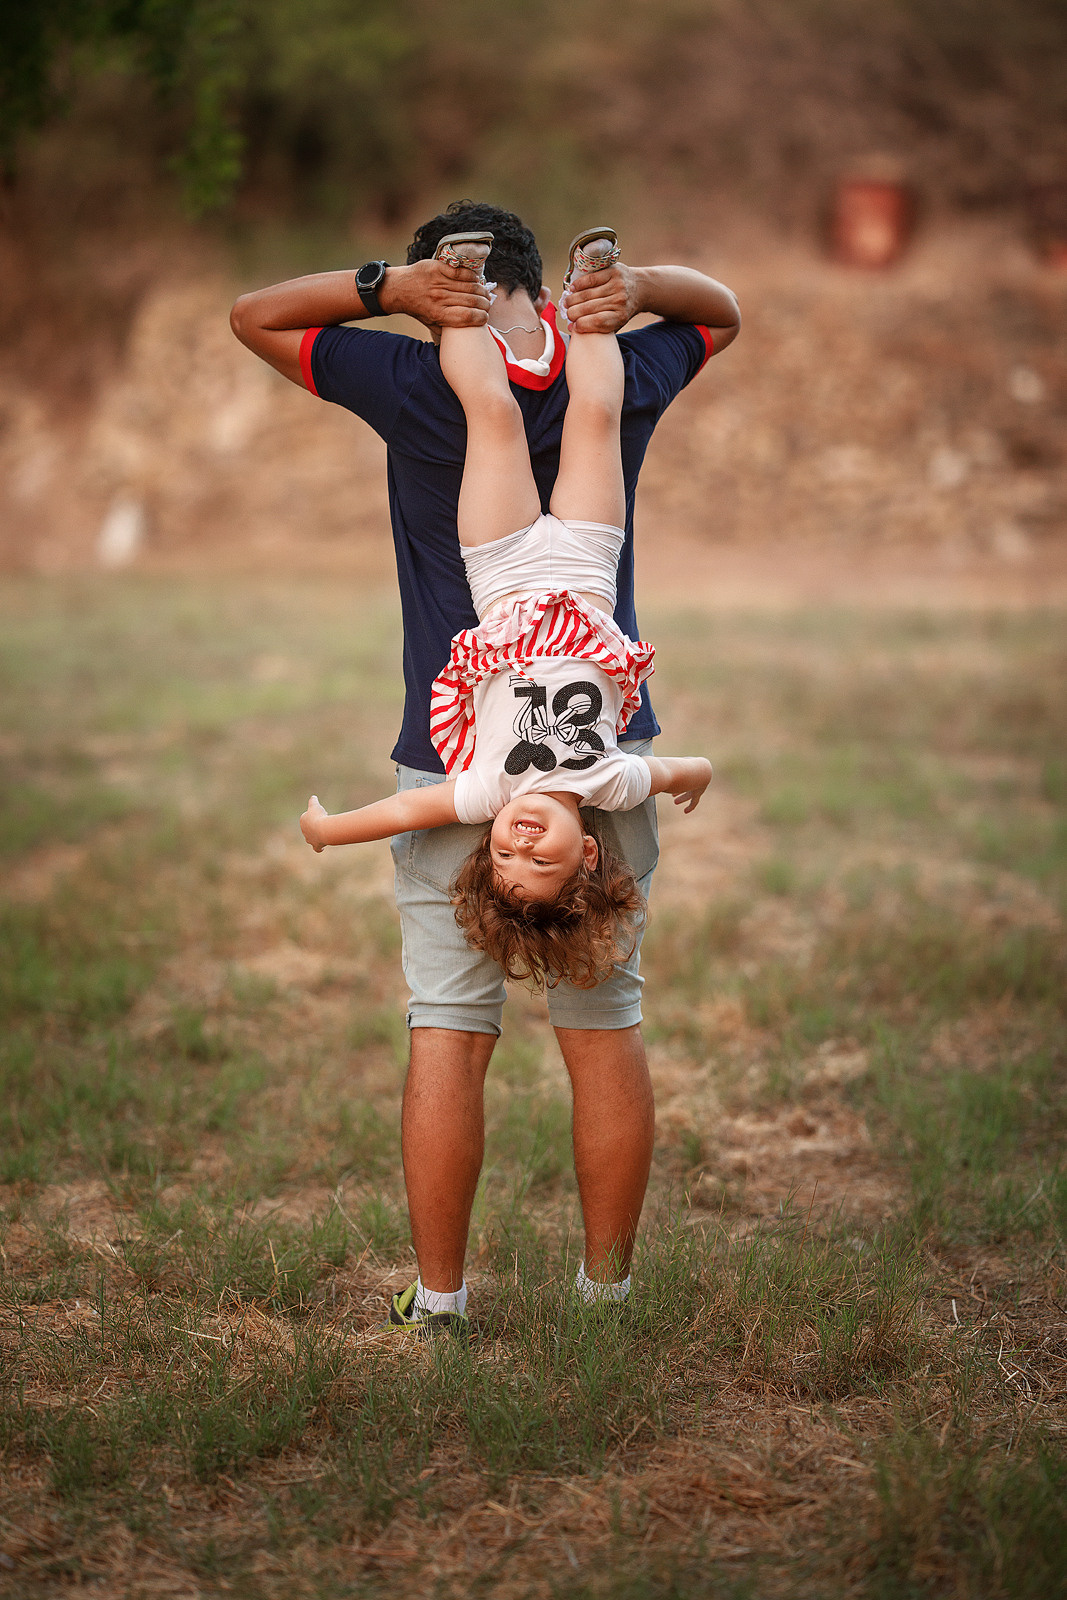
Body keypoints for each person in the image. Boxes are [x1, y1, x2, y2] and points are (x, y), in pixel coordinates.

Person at [230, 201, 740, 1337]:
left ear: (443, 285)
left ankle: (443, 1299)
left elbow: (252, 315)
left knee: (445, 1032)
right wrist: (643, 281)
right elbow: (726, 315)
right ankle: (605, 1294)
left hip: (452, 755)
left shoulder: (415, 382)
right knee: (603, 1026)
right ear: (530, 276)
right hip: (609, 756)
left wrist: (384, 291)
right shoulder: (620, 361)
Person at [299, 227, 713, 1001]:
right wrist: (697, 776)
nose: (520, 849)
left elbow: (404, 808)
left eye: (503, 863)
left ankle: (459, 294)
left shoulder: (488, 787)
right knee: (595, 411)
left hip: (501, 571)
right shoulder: (609, 783)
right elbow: (675, 770)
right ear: (588, 856)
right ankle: (593, 283)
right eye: (542, 862)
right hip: (588, 569)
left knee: (490, 414)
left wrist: (329, 830)